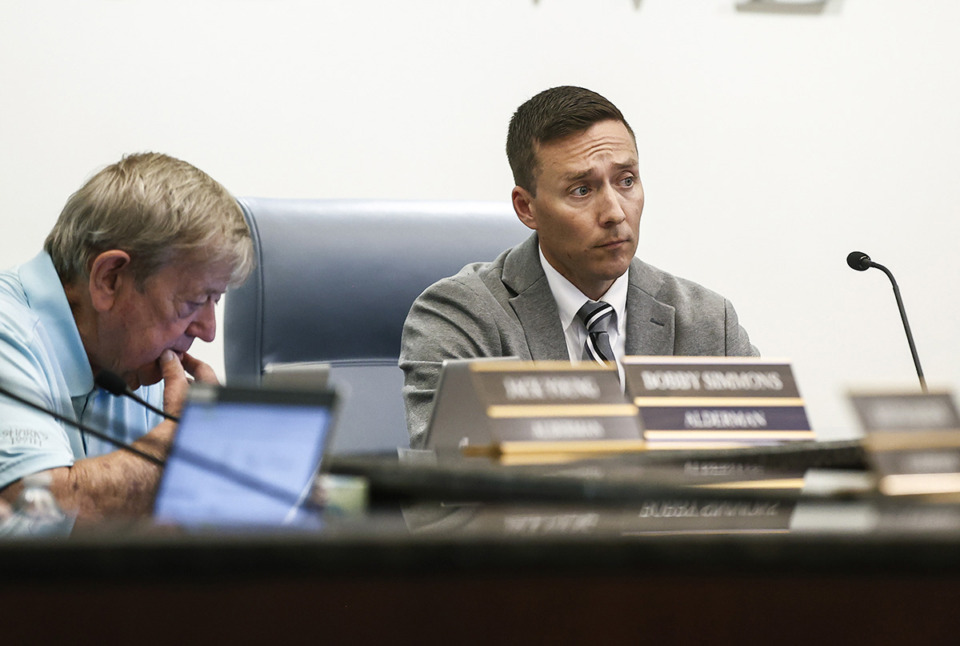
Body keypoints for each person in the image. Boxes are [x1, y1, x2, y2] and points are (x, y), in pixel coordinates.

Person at [400, 86, 758, 447]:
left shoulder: (709, 324)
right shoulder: (461, 317)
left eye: (626, 181)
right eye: (582, 190)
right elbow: (445, 490)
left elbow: (759, 476)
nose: (615, 212)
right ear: (527, 208)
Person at [0, 152, 253, 524]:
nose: (208, 330)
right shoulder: (10, 333)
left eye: (215, 301)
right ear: (110, 279)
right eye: (194, 302)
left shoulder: (131, 357)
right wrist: (185, 447)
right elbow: (28, 511)